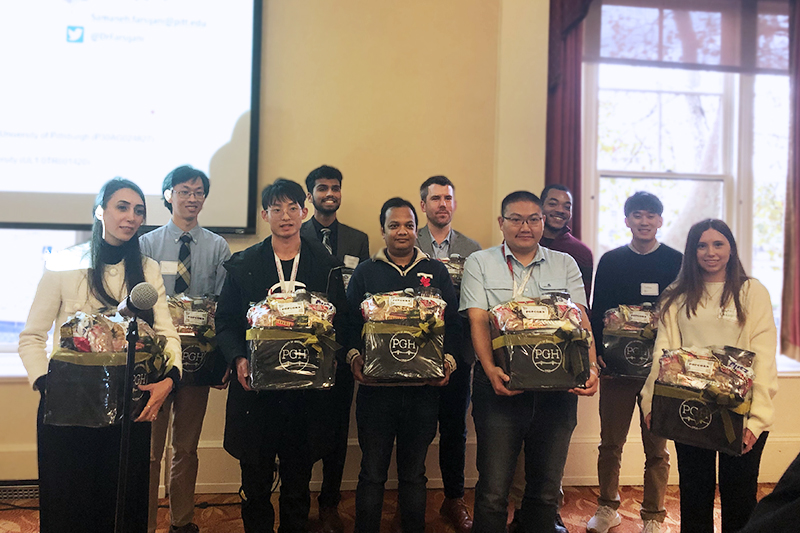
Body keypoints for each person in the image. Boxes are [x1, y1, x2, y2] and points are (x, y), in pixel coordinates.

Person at [18, 177, 182, 533]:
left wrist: (170, 378)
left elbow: (167, 335)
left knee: (123, 508)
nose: (132, 217)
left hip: (128, 408)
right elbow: (31, 336)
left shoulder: (148, 269)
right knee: (70, 505)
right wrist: (49, 385)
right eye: (122, 207)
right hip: (68, 410)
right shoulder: (63, 264)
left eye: (139, 210)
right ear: (100, 211)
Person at [460, 190, 598, 533]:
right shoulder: (480, 261)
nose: (526, 227)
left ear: (543, 222)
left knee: (545, 490)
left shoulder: (564, 263)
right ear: (501, 222)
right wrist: (489, 368)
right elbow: (478, 319)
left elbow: (581, 321)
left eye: (533, 219)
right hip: (500, 385)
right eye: (516, 219)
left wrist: (591, 367)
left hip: (557, 389)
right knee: (493, 489)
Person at [215, 178, 346, 533]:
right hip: (256, 395)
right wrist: (238, 359)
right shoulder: (243, 265)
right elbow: (225, 322)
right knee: (255, 483)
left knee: (297, 485)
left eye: (292, 208)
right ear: (264, 215)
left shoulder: (327, 264)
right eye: (276, 209)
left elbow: (342, 321)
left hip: (305, 396)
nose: (285, 216)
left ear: (304, 212)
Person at [640, 219, 778, 533]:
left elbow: (765, 357)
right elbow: (663, 354)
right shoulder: (677, 294)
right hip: (690, 411)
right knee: (694, 492)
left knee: (739, 497)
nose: (710, 252)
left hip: (741, 415)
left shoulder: (751, 291)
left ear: (731, 248)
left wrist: (757, 420)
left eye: (718, 244)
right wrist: (651, 403)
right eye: (702, 245)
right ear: (692, 251)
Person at [346, 197, 462, 533]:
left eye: (409, 225)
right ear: (382, 231)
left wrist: (449, 364)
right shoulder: (366, 272)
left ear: (417, 229)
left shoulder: (436, 271)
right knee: (372, 471)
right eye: (394, 225)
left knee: (414, 473)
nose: (402, 232)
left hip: (422, 393)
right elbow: (350, 325)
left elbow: (453, 324)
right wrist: (354, 357)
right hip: (376, 394)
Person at [141, 166, 232, 533]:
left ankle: (182, 522)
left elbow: (225, 306)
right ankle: (143, 521)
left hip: (197, 361)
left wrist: (224, 358)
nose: (191, 198)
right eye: (184, 191)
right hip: (156, 362)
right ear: (168, 195)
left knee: (186, 448)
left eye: (198, 192)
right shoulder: (147, 244)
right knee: (148, 452)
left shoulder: (217, 246)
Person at [586, 192, 682, 533]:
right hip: (616, 368)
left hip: (660, 371)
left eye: (651, 216)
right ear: (626, 220)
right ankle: (607, 507)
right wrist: (596, 351)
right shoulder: (611, 261)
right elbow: (598, 312)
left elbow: (682, 315)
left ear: (660, 220)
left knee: (657, 447)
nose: (644, 221)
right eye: (637, 215)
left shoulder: (677, 260)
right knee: (611, 442)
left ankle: (654, 516)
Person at [300, 164, 369, 533]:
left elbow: (359, 296)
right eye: (322, 187)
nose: (330, 193)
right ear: (310, 194)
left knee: (337, 429)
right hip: (304, 349)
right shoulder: (296, 234)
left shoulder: (358, 240)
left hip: (342, 347)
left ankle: (329, 502)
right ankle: (298, 499)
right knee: (303, 426)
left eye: (336, 187)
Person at [416, 175, 481, 533]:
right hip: (414, 353)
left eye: (448, 198)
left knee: (454, 429)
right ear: (423, 205)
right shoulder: (409, 240)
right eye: (435, 198)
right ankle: (413, 498)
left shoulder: (473, 249)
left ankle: (453, 499)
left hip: (458, 350)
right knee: (416, 429)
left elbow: (475, 303)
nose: (442, 204)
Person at [540, 184, 593, 303]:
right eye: (553, 204)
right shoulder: (524, 243)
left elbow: (582, 304)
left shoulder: (581, 252)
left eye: (567, 207)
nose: (560, 210)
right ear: (540, 206)